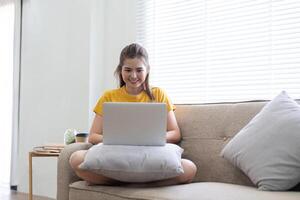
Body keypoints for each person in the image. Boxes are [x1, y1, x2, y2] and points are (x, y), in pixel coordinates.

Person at [69, 43, 197, 186]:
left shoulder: (159, 94)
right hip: (118, 154)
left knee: (189, 168)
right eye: (128, 70)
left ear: (147, 70)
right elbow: (93, 135)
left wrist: (150, 138)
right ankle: (124, 183)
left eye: (139, 70)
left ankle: (135, 184)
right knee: (76, 159)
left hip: (150, 154)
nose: (133, 75)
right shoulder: (109, 96)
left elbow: (175, 133)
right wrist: (118, 139)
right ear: (120, 70)